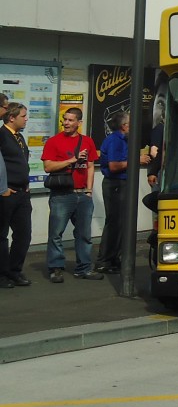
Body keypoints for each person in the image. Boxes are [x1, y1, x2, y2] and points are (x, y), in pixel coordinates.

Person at [41, 107, 103, 281]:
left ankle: (84, 268)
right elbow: (48, 167)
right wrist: (72, 160)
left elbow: (90, 167)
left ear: (79, 122)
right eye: (65, 119)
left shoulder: (87, 141)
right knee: (56, 233)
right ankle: (56, 268)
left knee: (84, 235)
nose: (66, 123)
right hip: (61, 195)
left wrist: (89, 190)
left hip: (83, 195)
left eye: (70, 120)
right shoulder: (54, 141)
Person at [1, 101, 34, 288]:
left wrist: (26, 183)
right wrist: (2, 188)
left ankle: (14, 271)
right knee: (2, 236)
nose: (26, 119)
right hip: (7, 193)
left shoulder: (19, 137)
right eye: (23, 116)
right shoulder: (2, 135)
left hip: (22, 193)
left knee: (24, 234)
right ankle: (2, 274)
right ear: (12, 117)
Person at [96, 110, 132, 274]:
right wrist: (135, 160)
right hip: (115, 183)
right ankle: (104, 260)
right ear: (124, 126)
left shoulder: (124, 140)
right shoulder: (115, 141)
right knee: (114, 222)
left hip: (122, 183)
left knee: (122, 222)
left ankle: (113, 258)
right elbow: (114, 165)